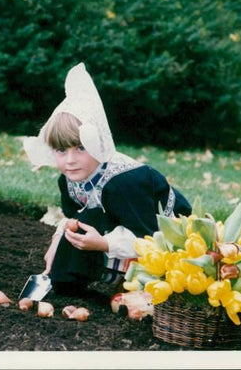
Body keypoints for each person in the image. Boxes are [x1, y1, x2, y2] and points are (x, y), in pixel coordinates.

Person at [23, 63, 191, 296]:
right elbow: (76, 219)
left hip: (164, 238)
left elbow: (150, 236)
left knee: (154, 274)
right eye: (61, 150)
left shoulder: (123, 181)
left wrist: (104, 245)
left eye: (80, 148)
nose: (70, 160)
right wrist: (57, 240)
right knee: (72, 244)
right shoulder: (69, 180)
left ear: (97, 143)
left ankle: (135, 286)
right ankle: (70, 284)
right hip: (119, 224)